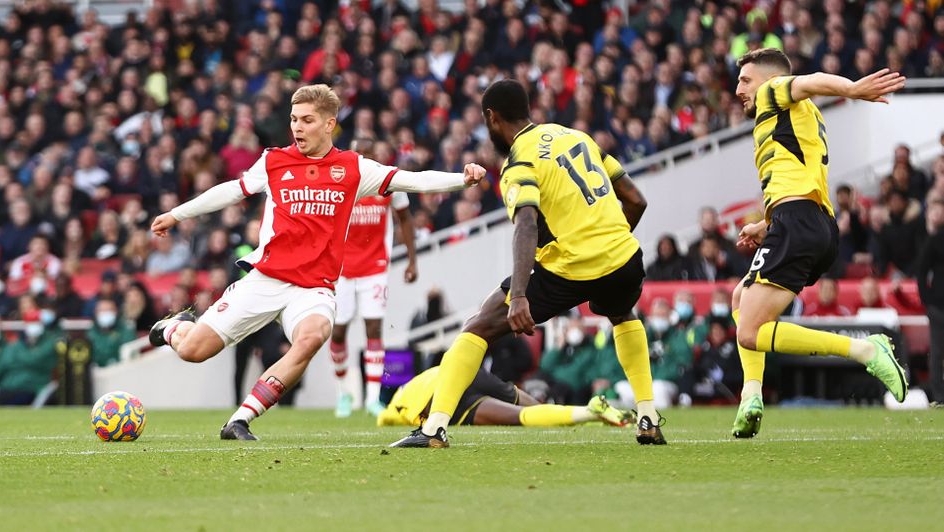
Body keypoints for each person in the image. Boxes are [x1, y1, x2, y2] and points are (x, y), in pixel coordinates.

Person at [147, 84, 485, 440]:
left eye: (307, 120)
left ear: (329, 124)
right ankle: (171, 328)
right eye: (294, 119)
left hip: (314, 288)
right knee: (193, 351)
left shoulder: (353, 168)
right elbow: (231, 190)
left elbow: (411, 180)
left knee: (313, 336)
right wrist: (177, 213)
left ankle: (240, 420)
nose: (297, 127)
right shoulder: (274, 161)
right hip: (266, 280)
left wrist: (461, 180)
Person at [390, 79, 662, 448]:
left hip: (570, 267)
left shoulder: (519, 160)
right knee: (622, 315)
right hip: (625, 257)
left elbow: (526, 224)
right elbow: (637, 200)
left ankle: (434, 427)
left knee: (480, 325)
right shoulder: (577, 136)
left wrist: (519, 296)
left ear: (492, 118)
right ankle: (647, 415)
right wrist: (607, 241)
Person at [730, 48, 908, 438]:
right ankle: (752, 395)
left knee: (748, 331)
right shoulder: (794, 117)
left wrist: (852, 89)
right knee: (741, 299)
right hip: (807, 222)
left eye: (745, 79)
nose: (739, 88)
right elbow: (797, 175)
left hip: (799, 223)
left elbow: (809, 81)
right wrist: (767, 223)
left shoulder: (773, 91)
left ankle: (865, 349)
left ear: (767, 78)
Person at [330, 138, 420, 418]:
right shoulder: (339, 183)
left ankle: (371, 398)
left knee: (374, 330)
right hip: (341, 270)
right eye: (358, 152)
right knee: (339, 331)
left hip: (375, 267)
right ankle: (344, 393)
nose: (363, 157)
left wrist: (412, 259)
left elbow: (405, 219)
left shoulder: (387, 180)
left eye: (368, 153)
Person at [377, 366, 633, 429]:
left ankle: (589, 412)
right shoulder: (421, 376)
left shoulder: (397, 404)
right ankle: (591, 413)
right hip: (467, 372)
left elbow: (384, 419)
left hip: (441, 401)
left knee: (519, 418)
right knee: (526, 404)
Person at [917, 197, 944, 404]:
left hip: (936, 302)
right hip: (938, 305)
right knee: (936, 352)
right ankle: (938, 396)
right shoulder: (934, 239)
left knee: (937, 352)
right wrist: (927, 299)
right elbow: (921, 270)